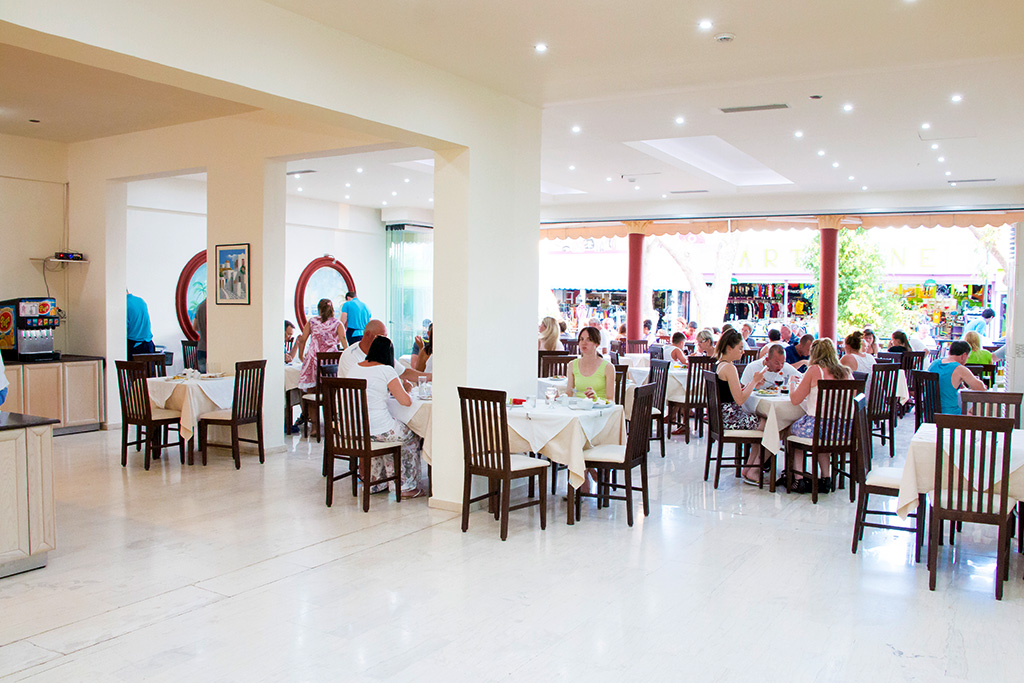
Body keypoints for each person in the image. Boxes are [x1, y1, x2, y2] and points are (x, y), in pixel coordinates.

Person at [346, 336, 424, 497]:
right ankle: (405, 487)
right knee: (410, 434)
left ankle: (376, 482)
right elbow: (405, 401)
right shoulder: (386, 370)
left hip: (356, 429)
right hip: (378, 429)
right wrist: (407, 388)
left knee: (387, 433)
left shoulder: (354, 368)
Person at [785, 339, 851, 494]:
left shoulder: (814, 370)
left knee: (790, 431)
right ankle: (826, 478)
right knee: (822, 437)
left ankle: (798, 479)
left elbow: (795, 400)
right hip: (842, 428)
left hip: (819, 427)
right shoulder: (846, 372)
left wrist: (792, 384)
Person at [714, 329, 767, 485]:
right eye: (740, 348)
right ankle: (753, 469)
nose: (743, 352)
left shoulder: (719, 364)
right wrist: (754, 381)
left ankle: (749, 468)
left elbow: (733, 393)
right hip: (731, 418)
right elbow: (740, 399)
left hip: (723, 416)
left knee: (764, 422)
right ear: (729, 348)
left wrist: (752, 384)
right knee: (771, 425)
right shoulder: (729, 368)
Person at [339, 319, 429, 384]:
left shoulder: (381, 351)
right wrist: (396, 388)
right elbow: (363, 384)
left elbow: (404, 373)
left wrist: (431, 377)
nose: (384, 341)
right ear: (367, 334)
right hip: (353, 403)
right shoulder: (350, 355)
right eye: (381, 337)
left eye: (386, 337)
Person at [928, 340, 987, 414]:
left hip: (929, 413)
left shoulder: (934, 363)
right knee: (975, 412)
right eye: (967, 357)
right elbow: (981, 388)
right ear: (964, 355)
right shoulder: (959, 369)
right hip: (949, 414)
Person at [296, 298, 343, 391]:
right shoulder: (337, 323)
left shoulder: (312, 321)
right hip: (331, 359)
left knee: (311, 387)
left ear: (319, 309)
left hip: (314, 356)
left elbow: (302, 340)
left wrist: (300, 355)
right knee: (331, 387)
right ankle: (330, 396)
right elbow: (343, 339)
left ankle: (313, 398)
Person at [740, 344, 801, 413]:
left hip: (777, 404)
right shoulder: (752, 367)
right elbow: (741, 391)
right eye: (776, 363)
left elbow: (800, 378)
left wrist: (794, 381)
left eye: (782, 363)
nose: (780, 367)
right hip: (753, 408)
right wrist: (754, 385)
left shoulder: (785, 367)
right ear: (767, 360)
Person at [566, 326, 615, 400]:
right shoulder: (572, 365)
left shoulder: (608, 367)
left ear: (597, 343)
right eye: (581, 339)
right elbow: (569, 393)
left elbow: (610, 399)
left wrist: (596, 399)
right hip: (578, 406)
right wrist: (558, 397)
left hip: (600, 406)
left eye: (589, 340)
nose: (584, 343)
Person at [126, 290, 155, 360]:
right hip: (149, 345)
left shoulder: (124, 305)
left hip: (135, 347)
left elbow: (122, 330)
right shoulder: (140, 301)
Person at [193, 298, 207, 372]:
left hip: (201, 347)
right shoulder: (215, 306)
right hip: (214, 348)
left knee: (203, 376)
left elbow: (195, 327)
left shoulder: (200, 306)